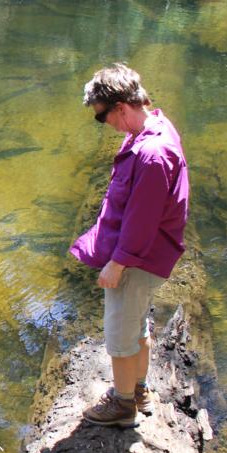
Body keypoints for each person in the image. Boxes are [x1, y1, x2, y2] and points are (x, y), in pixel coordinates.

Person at [70, 64, 190, 427]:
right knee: (137, 326)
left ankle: (123, 406)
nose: (104, 123)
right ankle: (139, 390)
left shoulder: (151, 155)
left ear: (121, 107)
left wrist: (117, 264)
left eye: (102, 116)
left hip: (138, 261)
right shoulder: (151, 128)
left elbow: (142, 220)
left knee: (120, 335)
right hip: (147, 254)